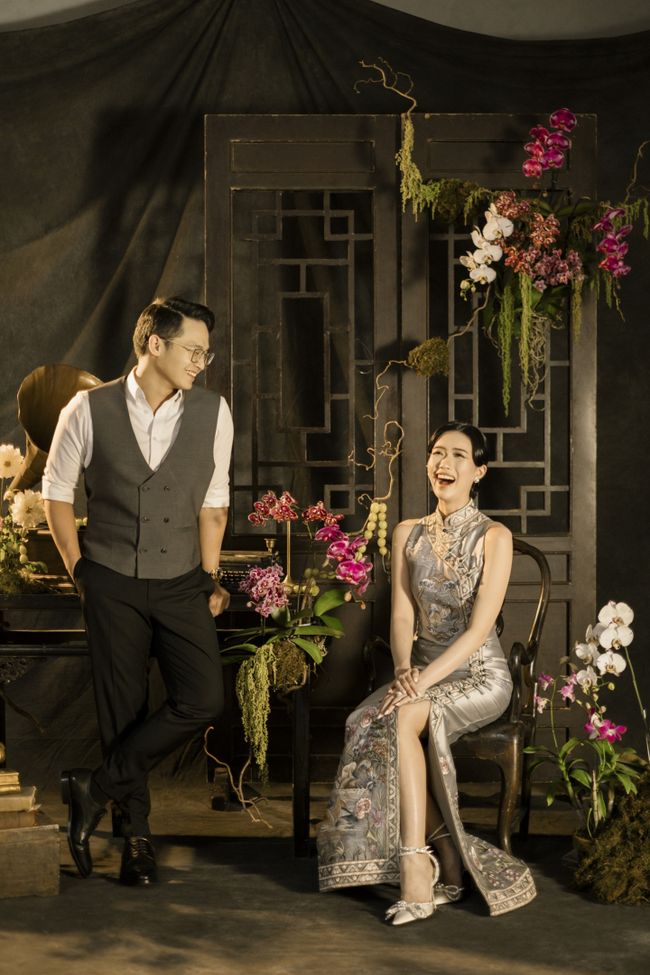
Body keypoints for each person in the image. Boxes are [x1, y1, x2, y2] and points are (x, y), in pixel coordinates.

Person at [43, 296, 234, 886]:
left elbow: (214, 504)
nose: (201, 362)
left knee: (203, 699)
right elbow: (56, 492)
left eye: (205, 353)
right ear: (155, 343)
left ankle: (93, 787)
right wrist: (80, 571)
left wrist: (209, 576)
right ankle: (137, 840)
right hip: (109, 579)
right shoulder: (86, 407)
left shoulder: (214, 411)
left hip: (181, 580)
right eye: (193, 350)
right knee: (121, 710)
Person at [317, 421, 536, 923]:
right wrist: (402, 668)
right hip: (416, 672)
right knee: (363, 720)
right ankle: (449, 857)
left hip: (478, 675)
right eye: (438, 453)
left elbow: (479, 631)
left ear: (479, 471)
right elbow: (401, 616)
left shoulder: (494, 537)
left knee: (402, 716)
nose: (445, 463)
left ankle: (416, 867)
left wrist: (421, 680)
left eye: (459, 455)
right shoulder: (406, 533)